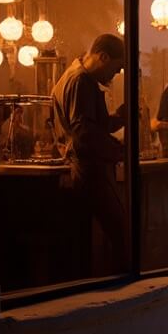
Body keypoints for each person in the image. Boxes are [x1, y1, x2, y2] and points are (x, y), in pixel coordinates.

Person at [51, 33, 128, 276]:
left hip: (85, 169)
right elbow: (84, 136)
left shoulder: (75, 78)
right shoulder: (81, 81)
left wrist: (118, 118)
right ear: (103, 56)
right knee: (121, 232)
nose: (114, 76)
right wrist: (120, 151)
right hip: (88, 170)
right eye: (115, 69)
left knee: (95, 235)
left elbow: (91, 126)